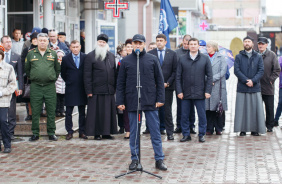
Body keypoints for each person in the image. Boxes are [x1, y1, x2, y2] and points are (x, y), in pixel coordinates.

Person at [116, 34, 167, 171]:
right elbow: (120, 83)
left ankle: (159, 159)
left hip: (150, 101)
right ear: (132, 44)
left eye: (140, 43)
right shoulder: (126, 61)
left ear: (144, 44)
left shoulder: (152, 59)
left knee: (155, 131)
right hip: (133, 101)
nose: (138, 46)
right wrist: (120, 101)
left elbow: (159, 81)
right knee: (134, 132)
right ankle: (135, 159)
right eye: (135, 43)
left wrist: (160, 99)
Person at [176, 38, 213, 143]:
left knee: (201, 115)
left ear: (198, 46)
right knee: (184, 115)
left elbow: (210, 76)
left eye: (194, 44)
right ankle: (186, 135)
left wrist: (208, 91)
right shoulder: (182, 59)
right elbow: (178, 77)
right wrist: (179, 91)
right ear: (188, 45)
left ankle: (201, 134)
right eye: (190, 44)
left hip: (200, 92)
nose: (192, 46)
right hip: (185, 92)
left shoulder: (205, 59)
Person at [25, 33, 60, 141]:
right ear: (37, 41)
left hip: (49, 86)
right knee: (35, 111)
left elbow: (57, 69)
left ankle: (51, 133)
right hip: (36, 86)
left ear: (48, 41)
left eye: (45, 40)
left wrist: (52, 77)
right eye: (40, 40)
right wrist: (35, 77)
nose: (42, 42)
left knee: (51, 110)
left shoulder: (53, 54)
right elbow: (27, 70)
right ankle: (35, 133)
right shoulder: (31, 54)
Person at [84, 34, 117, 140]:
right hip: (96, 90)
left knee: (108, 113)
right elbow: (87, 75)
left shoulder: (111, 56)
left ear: (106, 44)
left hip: (109, 90)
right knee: (97, 113)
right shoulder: (90, 56)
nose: (101, 44)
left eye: (103, 42)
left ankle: (107, 132)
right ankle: (97, 133)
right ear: (97, 42)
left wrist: (114, 87)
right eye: (100, 42)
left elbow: (114, 72)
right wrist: (89, 90)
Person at [234, 36, 265, 136]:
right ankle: (242, 129)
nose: (247, 43)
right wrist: (246, 80)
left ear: (252, 43)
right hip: (242, 87)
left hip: (255, 86)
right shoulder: (238, 56)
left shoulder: (258, 56)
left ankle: (254, 129)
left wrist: (253, 81)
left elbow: (261, 70)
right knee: (242, 109)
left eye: (249, 41)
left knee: (255, 109)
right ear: (243, 44)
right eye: (245, 41)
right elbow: (236, 70)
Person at [148, 34, 177, 140]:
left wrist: (168, 83)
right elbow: (148, 71)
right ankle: (155, 132)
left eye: (161, 40)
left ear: (165, 42)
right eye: (157, 40)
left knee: (167, 110)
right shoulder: (150, 54)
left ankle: (170, 132)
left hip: (167, 87)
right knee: (154, 110)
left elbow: (175, 71)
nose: (159, 42)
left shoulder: (172, 54)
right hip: (154, 87)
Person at [61, 40, 88, 140]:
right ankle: (69, 131)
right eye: (73, 47)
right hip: (71, 88)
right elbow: (63, 73)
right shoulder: (66, 59)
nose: (75, 49)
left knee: (82, 112)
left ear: (80, 47)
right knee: (68, 112)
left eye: (77, 47)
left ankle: (82, 131)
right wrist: (69, 81)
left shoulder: (85, 57)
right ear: (70, 48)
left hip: (82, 88)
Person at [1, 35, 23, 140]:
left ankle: (10, 132)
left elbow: (20, 73)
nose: (9, 44)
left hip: (12, 87)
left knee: (12, 111)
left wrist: (20, 87)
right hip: (1, 87)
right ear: (2, 44)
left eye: (10, 42)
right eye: (6, 42)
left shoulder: (16, 56)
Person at [174, 34, 196, 135]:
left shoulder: (193, 53)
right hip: (180, 84)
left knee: (191, 107)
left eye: (188, 43)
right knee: (180, 107)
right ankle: (179, 125)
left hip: (191, 84)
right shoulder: (177, 53)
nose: (186, 45)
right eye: (185, 43)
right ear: (182, 42)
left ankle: (191, 126)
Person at [258, 37, 280, 132]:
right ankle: (258, 124)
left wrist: (271, 80)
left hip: (268, 86)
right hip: (257, 86)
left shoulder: (272, 55)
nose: (261, 45)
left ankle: (269, 126)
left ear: (267, 45)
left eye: (263, 44)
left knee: (269, 107)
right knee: (257, 107)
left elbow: (277, 70)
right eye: (259, 44)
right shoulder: (255, 55)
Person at [205, 41, 227, 135]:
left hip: (218, 85)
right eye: (207, 47)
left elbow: (223, 71)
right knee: (208, 108)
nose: (207, 48)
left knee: (218, 108)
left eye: (209, 47)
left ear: (214, 48)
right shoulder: (204, 57)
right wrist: (208, 80)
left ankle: (218, 128)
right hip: (207, 85)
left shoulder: (221, 57)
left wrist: (212, 79)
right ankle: (209, 128)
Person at [0, 45, 17, 153]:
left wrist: (2, 92)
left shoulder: (8, 67)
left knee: (3, 121)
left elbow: (13, 84)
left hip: (3, 99)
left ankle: (7, 144)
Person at [21, 32, 39, 121]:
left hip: (39, 77)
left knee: (39, 97)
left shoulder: (41, 49)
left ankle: (39, 113)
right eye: (34, 39)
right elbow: (22, 62)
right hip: (28, 77)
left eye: (37, 39)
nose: (35, 41)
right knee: (28, 96)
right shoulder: (27, 49)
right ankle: (30, 113)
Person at [115, 43, 130, 138]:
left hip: (137, 89)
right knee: (126, 111)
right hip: (126, 90)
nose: (129, 49)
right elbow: (118, 78)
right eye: (127, 47)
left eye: (131, 47)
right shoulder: (122, 62)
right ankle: (127, 130)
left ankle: (136, 129)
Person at [55, 50, 66, 117]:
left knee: (62, 100)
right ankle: (57, 111)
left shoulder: (65, 64)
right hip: (56, 85)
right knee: (57, 100)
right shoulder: (55, 65)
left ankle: (62, 110)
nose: (60, 58)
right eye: (58, 56)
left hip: (63, 85)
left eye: (61, 56)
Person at [274, 56, 282, 126]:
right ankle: (276, 119)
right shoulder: (281, 58)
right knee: (280, 102)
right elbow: (278, 66)